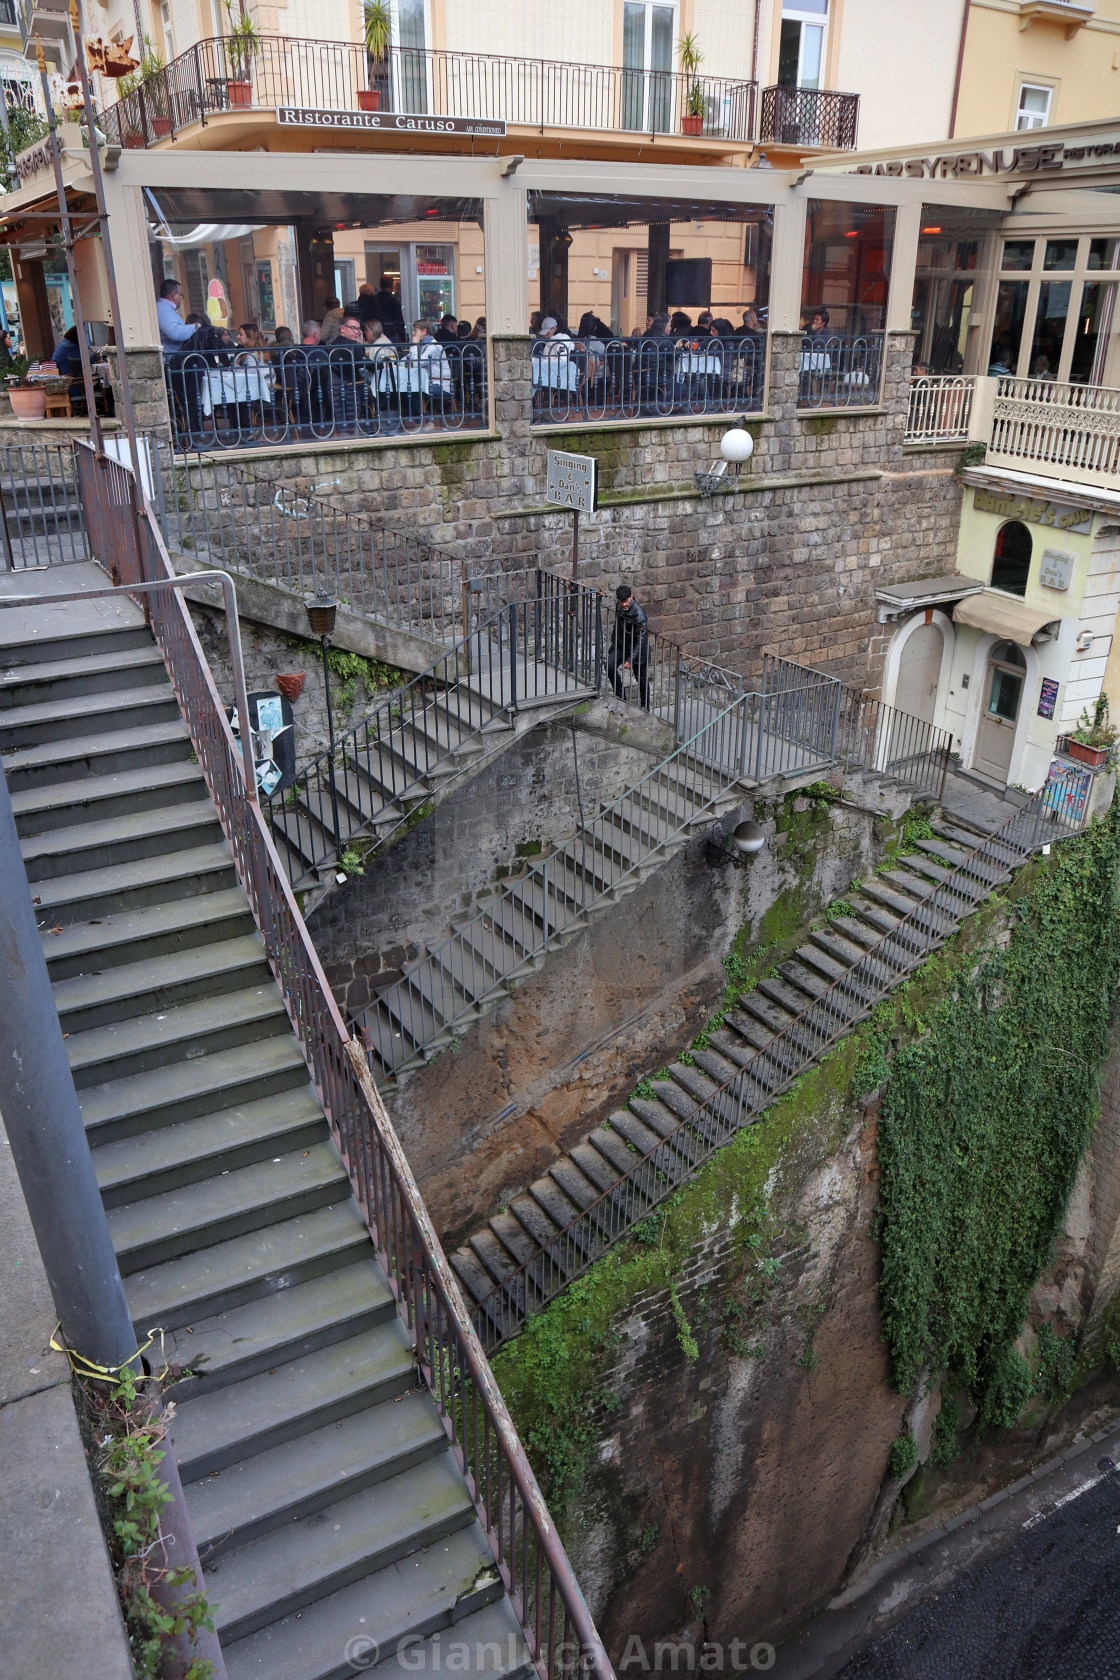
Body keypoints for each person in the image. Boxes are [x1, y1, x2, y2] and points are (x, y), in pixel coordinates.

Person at [608, 583, 649, 710]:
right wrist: (615, 643)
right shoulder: (619, 607)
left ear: (631, 597)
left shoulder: (639, 614)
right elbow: (618, 625)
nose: (624, 604)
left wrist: (631, 659)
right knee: (609, 666)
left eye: (626, 601)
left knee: (641, 678)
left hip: (637, 651)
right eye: (621, 602)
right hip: (622, 646)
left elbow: (641, 641)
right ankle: (621, 698)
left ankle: (645, 706)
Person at [328, 313, 371, 430]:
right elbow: (369, 364)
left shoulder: (335, 344)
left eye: (358, 329)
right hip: (349, 387)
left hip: (336, 387)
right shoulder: (351, 345)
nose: (356, 332)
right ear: (342, 328)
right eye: (353, 328)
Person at [157, 277, 196, 361]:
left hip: (172, 359)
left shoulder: (165, 308)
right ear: (174, 295)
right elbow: (174, 333)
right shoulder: (163, 308)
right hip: (170, 361)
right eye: (181, 295)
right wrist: (193, 327)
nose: (181, 299)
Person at [373, 277, 406, 342]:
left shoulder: (373, 300)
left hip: (376, 332)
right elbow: (399, 321)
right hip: (391, 333)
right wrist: (403, 337)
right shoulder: (394, 301)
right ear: (392, 286)